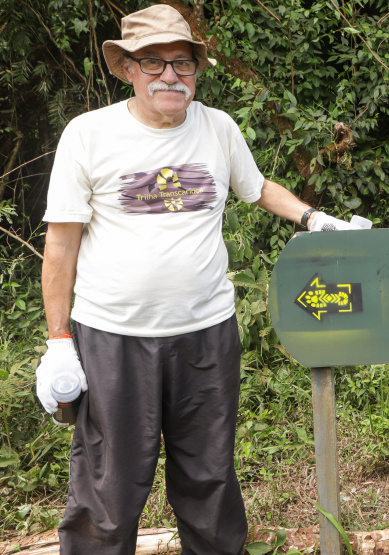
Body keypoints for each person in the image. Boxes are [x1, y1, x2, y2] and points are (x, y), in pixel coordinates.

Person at [35, 5, 358, 554]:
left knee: (208, 476)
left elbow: (256, 189)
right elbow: (61, 246)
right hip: (113, 337)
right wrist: (59, 343)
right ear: (128, 69)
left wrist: (311, 218)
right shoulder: (89, 135)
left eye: (181, 63)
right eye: (154, 62)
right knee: (108, 485)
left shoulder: (218, 127)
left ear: (196, 70)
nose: (169, 75)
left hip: (206, 333)